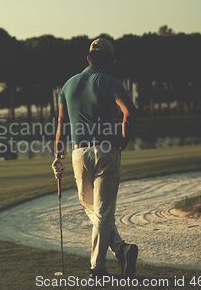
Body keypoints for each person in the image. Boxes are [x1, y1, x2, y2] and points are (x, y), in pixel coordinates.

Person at [51, 38, 138, 279]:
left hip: (78, 153)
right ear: (109, 60)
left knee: (92, 208)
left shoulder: (68, 85)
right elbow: (129, 113)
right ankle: (111, 258)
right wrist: (123, 139)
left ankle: (114, 255)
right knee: (100, 211)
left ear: (88, 58)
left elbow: (61, 125)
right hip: (107, 150)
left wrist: (58, 155)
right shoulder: (110, 81)